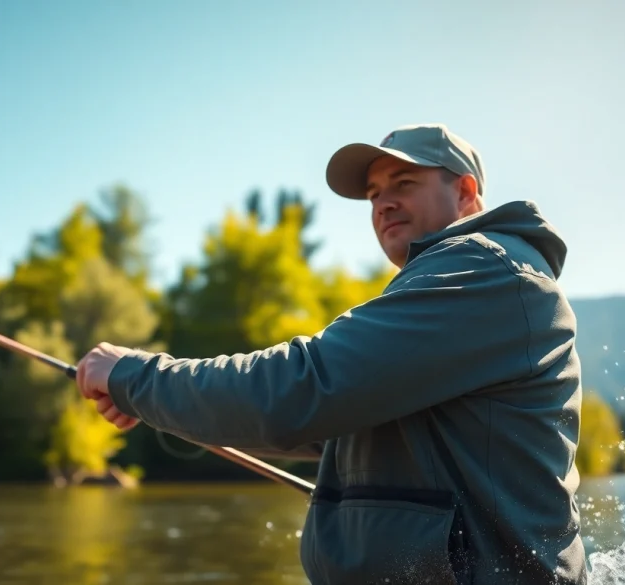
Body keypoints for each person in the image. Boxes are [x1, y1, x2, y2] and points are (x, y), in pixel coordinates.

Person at [74, 123, 589, 585]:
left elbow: (302, 389)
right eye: (374, 193)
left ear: (466, 191)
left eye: (403, 183)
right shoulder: (450, 284)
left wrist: (135, 377)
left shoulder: (482, 272)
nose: (383, 204)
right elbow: (337, 426)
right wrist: (158, 403)